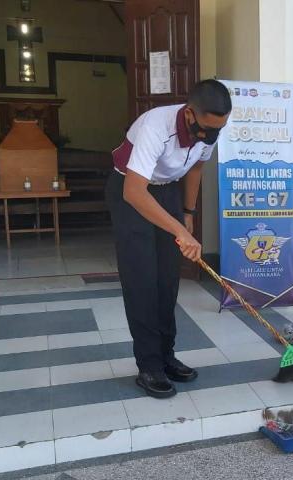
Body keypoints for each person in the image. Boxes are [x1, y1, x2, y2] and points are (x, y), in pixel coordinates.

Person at [106, 79, 232, 399]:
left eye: (218, 129)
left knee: (167, 280)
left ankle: (166, 356)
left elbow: (196, 169)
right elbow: (134, 192)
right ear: (190, 114)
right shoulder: (156, 125)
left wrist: (187, 213)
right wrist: (180, 230)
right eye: (206, 128)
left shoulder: (209, 129)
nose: (210, 136)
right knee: (142, 282)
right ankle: (148, 366)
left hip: (168, 194)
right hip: (131, 195)